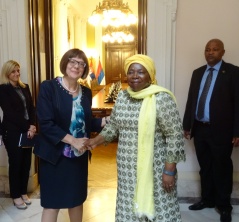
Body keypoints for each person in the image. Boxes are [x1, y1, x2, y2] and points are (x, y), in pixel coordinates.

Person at [84, 54, 186, 222]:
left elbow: (174, 136)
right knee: (129, 207)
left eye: (141, 72)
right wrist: (94, 141)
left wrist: (169, 170)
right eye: (131, 72)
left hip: (156, 166)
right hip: (127, 169)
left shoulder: (162, 98)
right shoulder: (123, 97)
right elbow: (113, 126)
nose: (135, 76)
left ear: (150, 75)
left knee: (159, 207)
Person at [34, 48, 108, 222]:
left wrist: (106, 121)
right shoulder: (49, 87)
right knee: (52, 203)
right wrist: (72, 140)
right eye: (73, 61)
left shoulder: (86, 92)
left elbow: (86, 123)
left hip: (78, 158)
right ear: (65, 63)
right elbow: (46, 124)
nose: (77, 66)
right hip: (54, 156)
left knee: (76, 200)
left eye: (81, 64)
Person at [183, 39, 239, 222]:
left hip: (222, 131)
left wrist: (237, 131)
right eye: (207, 49)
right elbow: (191, 100)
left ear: (223, 52)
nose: (210, 52)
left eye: (215, 50)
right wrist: (187, 125)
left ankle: (224, 205)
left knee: (222, 168)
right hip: (200, 129)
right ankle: (207, 200)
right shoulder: (198, 73)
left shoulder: (233, 72)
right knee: (205, 167)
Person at [0, 60, 37, 209]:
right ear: (7, 73)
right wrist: (28, 126)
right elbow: (10, 113)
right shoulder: (3, 89)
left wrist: (33, 126)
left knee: (26, 163)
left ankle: (23, 192)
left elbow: (32, 108)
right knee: (16, 164)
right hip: (12, 131)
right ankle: (15, 195)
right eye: (13, 71)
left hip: (28, 131)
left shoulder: (25, 87)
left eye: (18, 70)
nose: (17, 74)